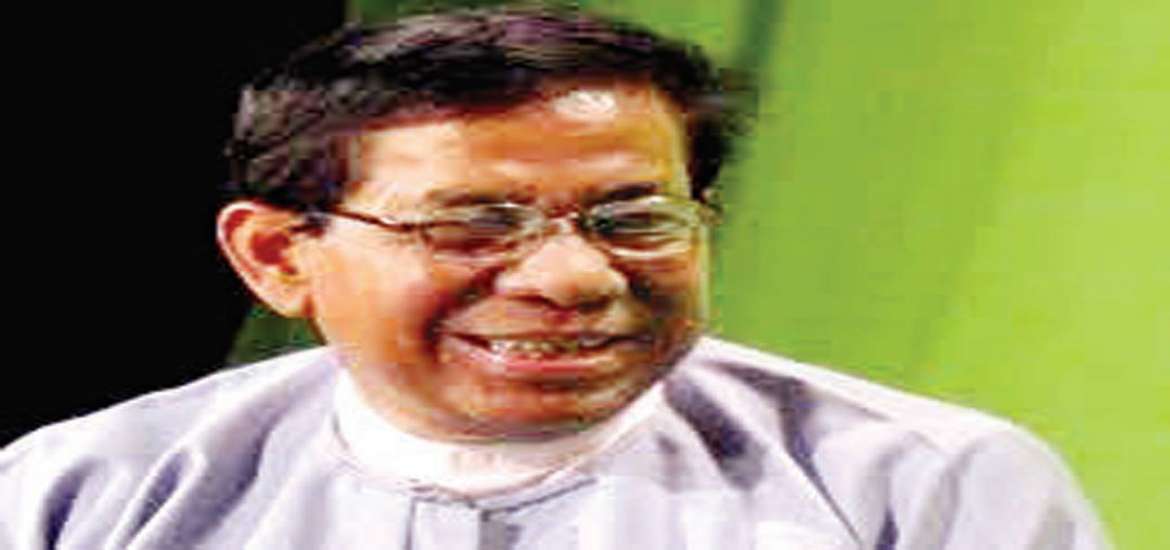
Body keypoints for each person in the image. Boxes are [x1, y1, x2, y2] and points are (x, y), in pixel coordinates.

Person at [0, 6, 1111, 549]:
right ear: (279, 256)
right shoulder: (82, 494)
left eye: (634, 219)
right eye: (472, 225)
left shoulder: (925, 489)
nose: (575, 277)